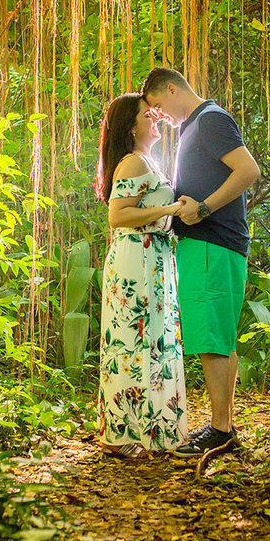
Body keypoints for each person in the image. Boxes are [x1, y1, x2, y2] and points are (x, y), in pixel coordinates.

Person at [140, 68, 259, 458]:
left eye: (158, 105)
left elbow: (248, 171)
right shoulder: (194, 126)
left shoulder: (209, 120)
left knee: (211, 339)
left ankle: (221, 430)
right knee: (218, 336)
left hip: (213, 243)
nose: (159, 115)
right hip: (206, 246)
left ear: (172, 89)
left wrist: (204, 208)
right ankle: (224, 426)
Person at [94, 92, 188, 458]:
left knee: (153, 342)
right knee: (131, 343)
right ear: (131, 127)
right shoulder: (132, 162)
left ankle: (149, 428)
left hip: (155, 256)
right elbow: (117, 216)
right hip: (136, 257)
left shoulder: (147, 161)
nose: (156, 119)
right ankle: (119, 435)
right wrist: (169, 210)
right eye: (148, 115)